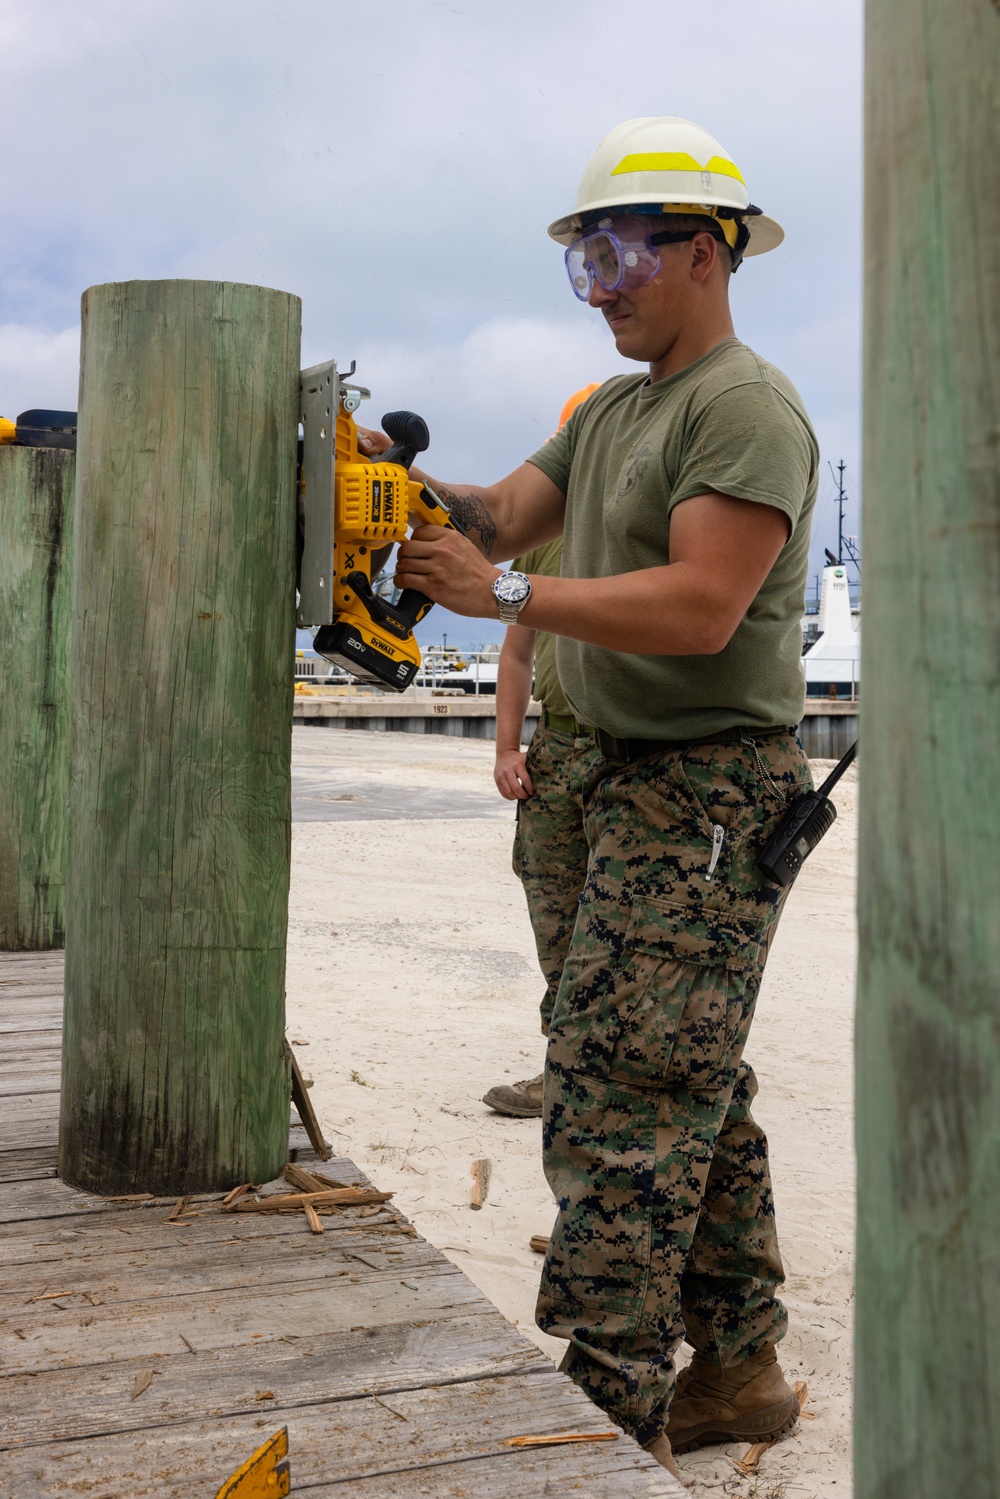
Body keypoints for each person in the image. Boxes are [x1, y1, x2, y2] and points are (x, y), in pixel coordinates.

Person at [364, 116, 819, 1482]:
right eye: (582, 262)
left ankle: (598, 1415)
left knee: (622, 1092)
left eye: (617, 254)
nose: (602, 286)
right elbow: (498, 514)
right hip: (619, 785)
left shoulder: (741, 404)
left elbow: (700, 605)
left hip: (712, 792)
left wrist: (499, 592)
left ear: (704, 250)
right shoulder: (617, 409)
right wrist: (369, 478)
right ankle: (738, 1366)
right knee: (682, 1077)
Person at [483, 386, 601, 1121]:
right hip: (557, 746)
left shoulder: (640, 526)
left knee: (628, 922)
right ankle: (565, 1070)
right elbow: (518, 653)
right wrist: (505, 746)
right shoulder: (542, 540)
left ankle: (605, 1079)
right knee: (556, 907)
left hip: (627, 746)